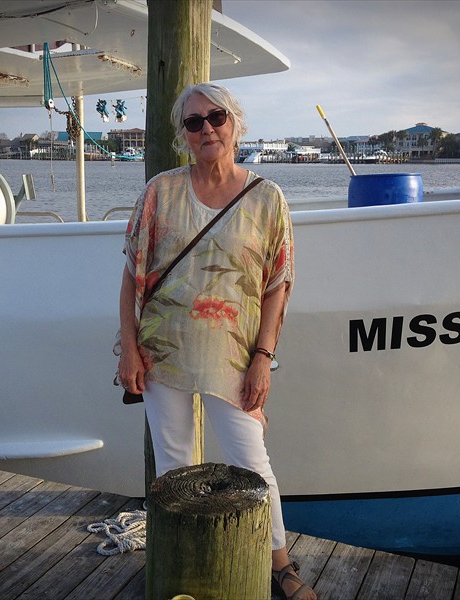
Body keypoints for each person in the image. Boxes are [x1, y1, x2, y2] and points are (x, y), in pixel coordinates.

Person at [118, 82, 316, 600]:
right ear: (182, 134)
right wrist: (130, 346)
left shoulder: (268, 198)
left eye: (216, 117)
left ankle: (278, 564)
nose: (207, 128)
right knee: (174, 462)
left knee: (252, 460)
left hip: (234, 353)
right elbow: (132, 276)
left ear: (236, 123)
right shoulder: (160, 191)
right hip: (163, 348)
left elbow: (278, 286)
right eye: (194, 122)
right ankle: (183, 561)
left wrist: (263, 358)